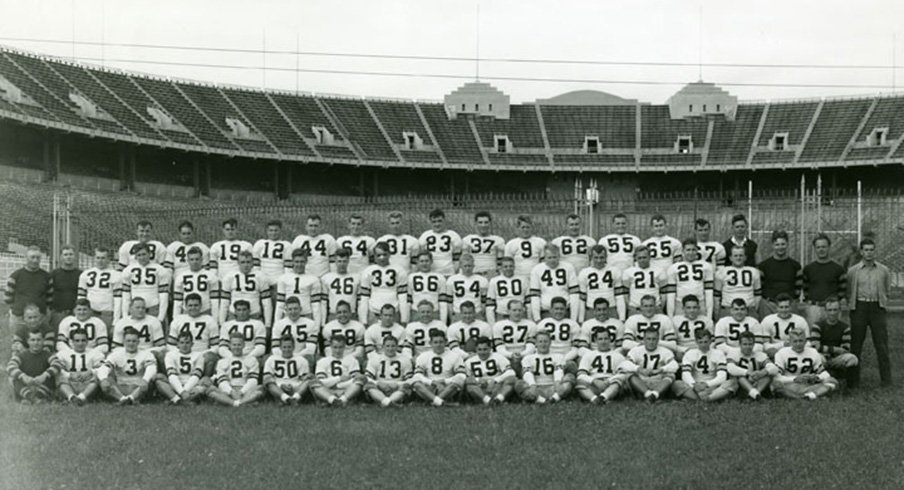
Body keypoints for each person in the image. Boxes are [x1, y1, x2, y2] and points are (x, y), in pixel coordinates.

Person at [846, 238, 892, 388]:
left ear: (875, 251)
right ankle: (853, 381)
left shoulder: (883, 270)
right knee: (856, 344)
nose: (869, 253)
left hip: (877, 308)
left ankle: (886, 381)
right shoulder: (853, 271)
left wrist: (881, 302)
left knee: (881, 345)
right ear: (861, 252)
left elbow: (887, 289)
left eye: (872, 249)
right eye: (866, 250)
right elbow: (848, 291)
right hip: (859, 307)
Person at [771, 328, 838, 400]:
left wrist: (816, 378)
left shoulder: (813, 352)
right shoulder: (781, 353)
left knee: (832, 381)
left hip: (807, 384)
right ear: (790, 342)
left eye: (801, 341)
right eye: (795, 341)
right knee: (776, 385)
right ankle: (812, 396)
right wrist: (795, 379)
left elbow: (824, 373)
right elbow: (776, 377)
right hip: (790, 385)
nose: (798, 344)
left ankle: (806, 397)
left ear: (806, 341)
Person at [98, 327, 158, 405]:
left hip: (138, 387)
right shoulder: (116, 354)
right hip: (121, 387)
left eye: (134, 341)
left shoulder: (146, 354)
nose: (131, 343)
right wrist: (103, 379)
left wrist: (145, 380)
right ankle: (124, 399)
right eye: (128, 341)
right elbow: (105, 367)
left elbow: (152, 368)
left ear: (138, 342)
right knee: (105, 379)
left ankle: (128, 399)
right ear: (123, 342)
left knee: (153, 378)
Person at [671, 329, 734, 402]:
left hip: (713, 386)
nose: (703, 345)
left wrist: (707, 384)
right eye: (700, 342)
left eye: (706, 342)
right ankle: (711, 398)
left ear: (710, 341)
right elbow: (685, 374)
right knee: (676, 384)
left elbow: (722, 376)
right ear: (696, 342)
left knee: (732, 382)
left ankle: (700, 399)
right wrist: (695, 386)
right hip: (694, 386)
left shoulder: (719, 353)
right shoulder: (690, 353)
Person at [801, 233, 847, 328]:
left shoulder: (838, 269)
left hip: (832, 309)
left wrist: (835, 303)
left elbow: (842, 289)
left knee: (833, 336)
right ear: (815, 249)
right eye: (818, 247)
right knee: (814, 336)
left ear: (829, 247)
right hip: (814, 309)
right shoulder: (808, 269)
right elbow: (805, 287)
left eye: (824, 247)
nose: (821, 249)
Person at [411, 328, 466, 406]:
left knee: (459, 380)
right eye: (435, 342)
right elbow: (418, 375)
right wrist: (432, 382)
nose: (438, 345)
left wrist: (444, 381)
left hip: (446, 387)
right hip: (429, 387)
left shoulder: (455, 356)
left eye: (441, 342)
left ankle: (432, 402)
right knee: (415, 382)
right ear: (430, 343)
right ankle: (441, 403)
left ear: (446, 342)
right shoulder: (423, 356)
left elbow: (461, 375)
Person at [622, 328, 679, 403]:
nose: (651, 342)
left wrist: (661, 369)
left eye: (654, 339)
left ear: (658, 340)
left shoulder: (665, 351)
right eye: (648, 339)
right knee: (629, 375)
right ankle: (649, 395)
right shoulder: (635, 350)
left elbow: (675, 365)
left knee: (670, 375)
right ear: (643, 340)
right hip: (641, 382)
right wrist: (639, 369)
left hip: (658, 382)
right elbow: (625, 364)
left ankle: (654, 395)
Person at [209, 331, 264, 407]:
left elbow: (253, 380)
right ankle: (243, 403)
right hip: (229, 390)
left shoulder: (252, 359)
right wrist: (231, 391)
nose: (236, 347)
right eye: (234, 345)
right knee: (212, 391)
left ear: (243, 345)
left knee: (260, 390)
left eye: (239, 345)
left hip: (245, 389)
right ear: (229, 346)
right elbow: (222, 381)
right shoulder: (222, 361)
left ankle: (230, 403)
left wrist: (242, 391)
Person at [811, 296, 859, 385]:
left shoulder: (845, 327)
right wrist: (835, 349)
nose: (832, 313)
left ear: (839, 311)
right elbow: (815, 347)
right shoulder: (817, 325)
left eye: (835, 310)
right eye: (829, 310)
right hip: (822, 357)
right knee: (816, 357)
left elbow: (845, 348)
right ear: (825, 311)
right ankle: (819, 380)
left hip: (836, 359)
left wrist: (828, 349)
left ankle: (845, 380)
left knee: (853, 358)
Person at [4, 246, 52, 334]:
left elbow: (50, 298)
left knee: (39, 344)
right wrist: (15, 311)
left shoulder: (46, 277)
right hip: (19, 318)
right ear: (26, 258)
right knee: (18, 345)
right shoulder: (15, 276)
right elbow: (8, 297)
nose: (35, 260)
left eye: (38, 258)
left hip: (40, 318)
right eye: (32, 257)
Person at [516, 330, 572, 404]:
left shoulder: (558, 356)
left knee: (570, 377)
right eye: (540, 341)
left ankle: (554, 398)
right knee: (518, 384)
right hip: (536, 388)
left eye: (546, 341)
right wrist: (532, 385)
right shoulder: (528, 358)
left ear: (550, 343)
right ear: (535, 343)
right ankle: (544, 400)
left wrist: (557, 383)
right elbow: (527, 374)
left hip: (553, 387)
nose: (543, 344)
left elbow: (559, 371)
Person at [359, 242, 409, 324]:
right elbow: (364, 298)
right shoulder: (368, 271)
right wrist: (363, 320)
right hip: (373, 311)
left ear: (389, 254)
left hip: (393, 312)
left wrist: (404, 319)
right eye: (378, 255)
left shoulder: (399, 270)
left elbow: (402, 297)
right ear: (374, 256)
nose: (382, 258)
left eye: (384, 254)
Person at [120, 243, 170, 324]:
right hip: (135, 309)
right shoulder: (128, 270)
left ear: (150, 254)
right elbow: (126, 295)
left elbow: (164, 295)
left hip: (153, 309)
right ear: (135, 257)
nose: (142, 257)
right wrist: (125, 316)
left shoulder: (160, 270)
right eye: (139, 255)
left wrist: (161, 316)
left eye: (144, 254)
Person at [757, 230, 802, 318]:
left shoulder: (795, 266)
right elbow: (760, 286)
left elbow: (798, 289)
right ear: (773, 245)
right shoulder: (764, 266)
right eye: (777, 244)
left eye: (783, 244)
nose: (780, 247)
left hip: (788, 306)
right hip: (769, 305)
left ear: (787, 244)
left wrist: (791, 302)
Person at [220, 250, 272, 327]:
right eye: (243, 262)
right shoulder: (229, 277)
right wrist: (221, 323)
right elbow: (224, 302)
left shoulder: (261, 277)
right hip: (234, 315)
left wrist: (268, 324)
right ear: (238, 263)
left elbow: (266, 303)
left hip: (254, 315)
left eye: (248, 262)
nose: (246, 265)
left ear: (252, 263)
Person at [575, 328, 627, 404]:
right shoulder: (588, 355)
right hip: (594, 383)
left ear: (610, 339)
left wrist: (608, 381)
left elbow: (623, 375)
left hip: (610, 384)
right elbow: (581, 375)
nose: (603, 342)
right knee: (580, 383)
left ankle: (603, 397)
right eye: (600, 339)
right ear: (595, 340)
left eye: (606, 339)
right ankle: (595, 399)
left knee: (617, 383)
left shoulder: (618, 356)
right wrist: (594, 381)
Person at [664, 240, 713, 318]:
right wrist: (670, 316)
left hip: (699, 302)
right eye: (688, 250)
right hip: (680, 303)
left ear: (697, 250)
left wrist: (709, 315)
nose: (691, 252)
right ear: (683, 251)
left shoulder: (706, 266)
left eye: (693, 250)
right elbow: (671, 295)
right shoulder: (673, 268)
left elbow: (709, 293)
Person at [55, 328, 105, 405]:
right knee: (60, 377)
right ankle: (72, 397)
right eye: (77, 340)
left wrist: (90, 372)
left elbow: (103, 367)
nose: (80, 343)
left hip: (87, 384)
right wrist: (70, 375)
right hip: (70, 383)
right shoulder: (63, 353)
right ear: (72, 342)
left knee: (96, 377)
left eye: (83, 340)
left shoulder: (96, 353)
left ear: (87, 341)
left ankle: (81, 398)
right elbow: (57, 368)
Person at [312, 334, 365, 405]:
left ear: (345, 347)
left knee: (360, 380)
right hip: (328, 390)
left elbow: (355, 379)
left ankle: (340, 400)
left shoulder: (352, 360)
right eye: (335, 347)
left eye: (340, 347)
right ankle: (334, 400)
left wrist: (338, 386)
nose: (338, 350)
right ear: (330, 346)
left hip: (347, 390)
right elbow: (321, 381)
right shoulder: (322, 361)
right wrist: (339, 379)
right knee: (314, 383)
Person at [529, 244, 579, 321]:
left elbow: (574, 294)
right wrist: (537, 318)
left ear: (559, 256)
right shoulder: (537, 270)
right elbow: (535, 296)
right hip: (546, 311)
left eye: (555, 257)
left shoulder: (568, 267)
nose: (552, 260)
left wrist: (573, 318)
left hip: (565, 311)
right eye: (549, 257)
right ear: (544, 257)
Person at [155, 331, 206, 405]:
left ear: (192, 344)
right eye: (182, 343)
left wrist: (185, 391)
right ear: (177, 344)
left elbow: (196, 376)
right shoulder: (170, 355)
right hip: (175, 385)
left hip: (192, 386)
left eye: (187, 343)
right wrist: (182, 392)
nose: (184, 345)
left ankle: (174, 399)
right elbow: (172, 376)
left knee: (205, 383)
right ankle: (181, 400)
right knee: (159, 381)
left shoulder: (199, 355)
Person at [8, 330, 58, 403]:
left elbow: (57, 364)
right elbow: (10, 366)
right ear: (28, 341)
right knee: (14, 379)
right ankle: (31, 397)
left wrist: (44, 375)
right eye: (32, 340)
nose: (36, 343)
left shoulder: (47, 354)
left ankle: (38, 397)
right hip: (27, 383)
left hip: (41, 383)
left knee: (52, 377)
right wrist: (23, 376)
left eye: (38, 340)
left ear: (43, 341)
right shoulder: (22, 355)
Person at [77, 247, 122, 331]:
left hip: (107, 314)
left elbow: (118, 300)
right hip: (90, 313)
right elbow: (81, 298)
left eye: (103, 258)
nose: (100, 260)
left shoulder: (116, 275)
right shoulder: (85, 274)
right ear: (94, 258)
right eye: (98, 257)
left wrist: (116, 321)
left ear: (108, 259)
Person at [578, 245, 626, 322]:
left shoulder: (614, 271)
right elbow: (582, 300)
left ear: (606, 257)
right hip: (592, 310)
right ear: (591, 258)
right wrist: (581, 319)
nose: (599, 260)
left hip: (610, 309)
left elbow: (619, 297)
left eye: (601, 257)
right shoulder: (584, 273)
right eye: (596, 257)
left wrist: (622, 317)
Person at [263, 334, 314, 405]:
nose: (287, 350)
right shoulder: (271, 359)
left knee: (308, 381)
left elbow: (303, 378)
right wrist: (280, 385)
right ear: (280, 348)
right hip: (278, 387)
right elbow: (267, 377)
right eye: (284, 347)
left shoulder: (301, 360)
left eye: (289, 347)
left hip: (295, 387)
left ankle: (293, 398)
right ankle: (287, 399)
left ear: (293, 347)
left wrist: (306, 377)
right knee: (268, 382)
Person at [275, 249, 322, 325]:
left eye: (302, 262)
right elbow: (280, 303)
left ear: (306, 262)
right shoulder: (283, 278)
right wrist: (277, 322)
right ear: (292, 262)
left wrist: (317, 325)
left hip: (306, 315)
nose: (299, 264)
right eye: (296, 262)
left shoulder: (313, 279)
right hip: (288, 316)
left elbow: (315, 305)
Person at [364, 334, 413, 407]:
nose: (390, 349)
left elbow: (409, 379)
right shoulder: (375, 358)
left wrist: (397, 384)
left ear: (397, 347)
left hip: (397, 388)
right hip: (380, 387)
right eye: (387, 346)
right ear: (382, 347)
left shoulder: (405, 359)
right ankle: (389, 403)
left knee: (406, 386)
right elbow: (367, 377)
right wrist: (378, 383)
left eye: (393, 346)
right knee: (368, 386)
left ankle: (384, 402)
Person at [464, 336, 516, 405]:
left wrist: (495, 380)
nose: (482, 352)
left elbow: (511, 372)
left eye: (485, 349)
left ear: (490, 348)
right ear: (476, 349)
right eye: (480, 349)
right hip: (481, 390)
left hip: (497, 387)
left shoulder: (498, 356)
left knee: (512, 379)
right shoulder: (469, 361)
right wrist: (478, 380)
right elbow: (466, 378)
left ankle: (498, 399)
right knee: (469, 385)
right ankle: (488, 401)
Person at [714, 245, 762, 319]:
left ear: (745, 257)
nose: (738, 258)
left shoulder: (754, 272)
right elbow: (716, 296)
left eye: (741, 255)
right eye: (735, 255)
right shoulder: (721, 272)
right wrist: (717, 311)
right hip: (728, 309)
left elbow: (758, 295)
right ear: (730, 258)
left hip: (748, 308)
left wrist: (754, 309)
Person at [726, 331, 776, 400]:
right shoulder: (733, 353)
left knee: (769, 375)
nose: (748, 347)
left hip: (756, 382)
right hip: (741, 385)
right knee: (740, 376)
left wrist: (762, 372)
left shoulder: (759, 354)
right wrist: (748, 372)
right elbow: (730, 368)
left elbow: (774, 368)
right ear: (739, 344)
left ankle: (755, 395)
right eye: (745, 344)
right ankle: (755, 394)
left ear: (753, 344)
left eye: (750, 344)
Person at [172, 246, 220, 317]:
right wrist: (175, 318)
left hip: (205, 311)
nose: (194, 262)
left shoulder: (211, 276)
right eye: (192, 259)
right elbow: (177, 301)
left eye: (197, 259)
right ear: (187, 260)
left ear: (202, 260)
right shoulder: (180, 277)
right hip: (187, 312)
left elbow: (215, 301)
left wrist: (215, 318)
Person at [535, 297, 581, 371]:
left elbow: (575, 348)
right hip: (546, 357)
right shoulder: (542, 323)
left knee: (572, 366)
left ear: (566, 310)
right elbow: (537, 346)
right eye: (556, 309)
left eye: (561, 309)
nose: (559, 311)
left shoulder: (573, 324)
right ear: (551, 310)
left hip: (567, 358)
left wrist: (563, 359)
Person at [491, 299, 537, 372]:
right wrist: (511, 355)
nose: (517, 313)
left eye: (519, 310)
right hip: (505, 356)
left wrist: (521, 354)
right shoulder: (498, 325)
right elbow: (499, 347)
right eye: (514, 310)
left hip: (525, 355)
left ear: (523, 310)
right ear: (508, 311)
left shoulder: (531, 325)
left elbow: (531, 346)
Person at [271, 296, 319, 365]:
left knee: (309, 358)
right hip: (283, 356)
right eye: (290, 309)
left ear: (300, 309)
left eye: (295, 309)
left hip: (303, 357)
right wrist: (287, 357)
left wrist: (295, 357)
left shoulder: (311, 324)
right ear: (286, 310)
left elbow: (311, 349)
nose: (293, 312)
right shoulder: (278, 324)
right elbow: (275, 348)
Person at [761, 293, 811, 358]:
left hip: (796, 351)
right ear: (776, 308)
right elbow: (765, 345)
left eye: (786, 307)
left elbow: (808, 343)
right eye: (781, 307)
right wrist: (782, 345)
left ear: (791, 307)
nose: (784, 310)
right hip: (776, 352)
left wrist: (795, 346)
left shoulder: (800, 320)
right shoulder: (767, 320)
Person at [622, 246, 667, 316]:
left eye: (644, 257)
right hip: (635, 309)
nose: (642, 260)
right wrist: (630, 307)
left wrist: (660, 307)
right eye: (639, 258)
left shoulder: (659, 271)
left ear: (649, 257)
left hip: (655, 308)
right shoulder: (628, 272)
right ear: (635, 258)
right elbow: (625, 294)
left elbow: (664, 294)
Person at [253, 220, 292, 296]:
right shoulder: (260, 244)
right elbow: (256, 266)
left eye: (276, 230)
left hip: (278, 282)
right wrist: (258, 280)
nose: (273, 233)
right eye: (271, 230)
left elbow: (288, 268)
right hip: (263, 282)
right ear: (266, 231)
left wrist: (283, 282)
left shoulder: (287, 245)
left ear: (280, 231)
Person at [407, 252, 449, 324]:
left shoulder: (440, 277)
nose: (424, 263)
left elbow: (442, 302)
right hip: (416, 311)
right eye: (422, 261)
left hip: (434, 311)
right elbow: (408, 301)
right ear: (417, 262)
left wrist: (443, 321)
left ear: (431, 261)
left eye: (427, 261)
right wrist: (407, 318)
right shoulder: (410, 277)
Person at [291, 214, 338, 278]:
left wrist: (333, 277)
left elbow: (333, 263)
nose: (313, 229)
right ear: (306, 226)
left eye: (316, 226)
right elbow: (293, 262)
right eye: (311, 226)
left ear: (321, 226)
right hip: (305, 278)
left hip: (324, 277)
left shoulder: (329, 239)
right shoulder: (299, 240)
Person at [419, 208, 462, 276]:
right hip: (430, 273)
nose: (437, 224)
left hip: (448, 273)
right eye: (434, 221)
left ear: (444, 221)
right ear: (430, 222)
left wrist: (454, 272)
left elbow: (457, 259)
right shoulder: (425, 236)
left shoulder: (454, 236)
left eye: (439, 221)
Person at [49, 245, 82, 332]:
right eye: (66, 254)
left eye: (71, 254)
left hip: (76, 314)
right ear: (61, 257)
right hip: (58, 314)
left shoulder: (81, 275)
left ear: (75, 256)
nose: (68, 257)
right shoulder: (54, 274)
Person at [321, 248, 359, 322]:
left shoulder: (357, 278)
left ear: (348, 261)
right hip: (333, 314)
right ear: (335, 261)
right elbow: (323, 303)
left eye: (344, 261)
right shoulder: (326, 278)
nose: (342, 264)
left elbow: (360, 302)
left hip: (351, 314)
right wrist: (323, 321)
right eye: (339, 261)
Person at [376, 211, 420, 276]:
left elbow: (414, 262)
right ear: (389, 225)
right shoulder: (382, 240)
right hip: (387, 275)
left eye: (397, 223)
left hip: (405, 275)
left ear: (403, 223)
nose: (395, 226)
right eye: (392, 223)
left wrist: (411, 275)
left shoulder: (412, 241)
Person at [670, 295, 713, 361]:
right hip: (683, 350)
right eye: (688, 308)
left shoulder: (707, 321)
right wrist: (683, 349)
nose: (692, 310)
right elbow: (672, 343)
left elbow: (712, 342)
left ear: (699, 308)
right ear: (683, 308)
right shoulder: (675, 320)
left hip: (702, 349)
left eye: (694, 307)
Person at [462, 211, 505, 277]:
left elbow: (500, 262)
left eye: (486, 222)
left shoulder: (498, 240)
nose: (483, 225)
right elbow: (465, 259)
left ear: (490, 223)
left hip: (491, 272)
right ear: (475, 223)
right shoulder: (467, 239)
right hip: (473, 273)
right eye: (480, 222)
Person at [504, 215, 546, 282]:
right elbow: (507, 264)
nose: (525, 230)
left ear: (532, 228)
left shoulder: (540, 242)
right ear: (518, 228)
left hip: (536, 277)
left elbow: (544, 263)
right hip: (517, 277)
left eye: (528, 227)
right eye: (523, 227)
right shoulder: (511, 244)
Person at [446, 254, 488, 321]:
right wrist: (451, 315)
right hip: (458, 312)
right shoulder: (451, 280)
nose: (467, 268)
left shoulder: (482, 280)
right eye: (465, 266)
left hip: (476, 312)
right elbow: (449, 301)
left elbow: (484, 301)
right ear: (460, 266)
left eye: (469, 266)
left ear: (473, 266)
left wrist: (482, 312)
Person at [486, 257, 527, 324]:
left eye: (511, 266)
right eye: (505, 266)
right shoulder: (494, 281)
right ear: (501, 268)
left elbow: (528, 302)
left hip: (519, 315)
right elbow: (490, 305)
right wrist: (492, 324)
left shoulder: (523, 280)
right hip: (502, 315)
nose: (508, 268)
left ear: (514, 267)